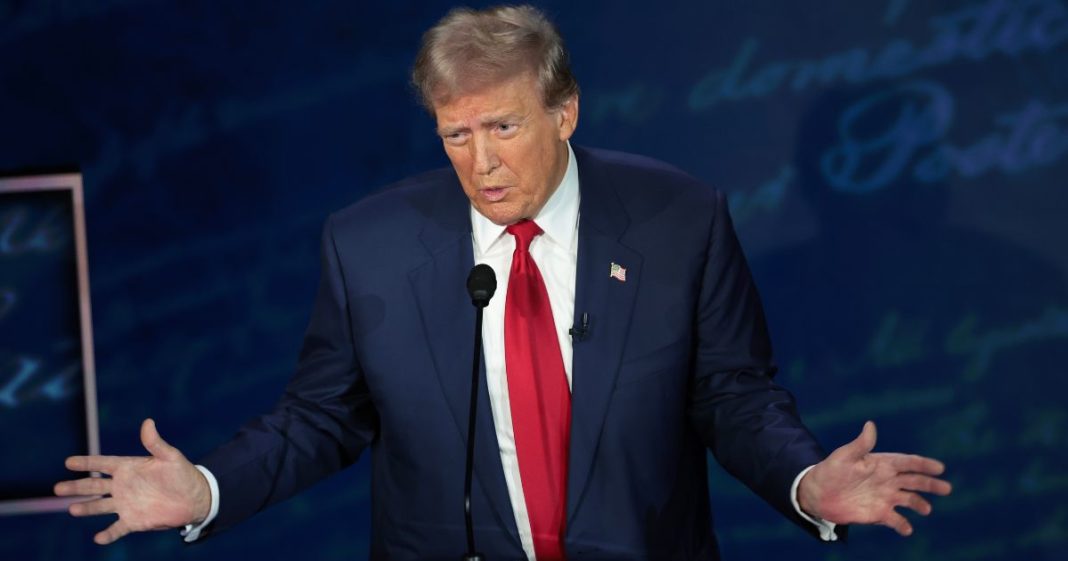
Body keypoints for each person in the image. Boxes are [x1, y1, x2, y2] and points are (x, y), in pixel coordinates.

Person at [54, 5, 951, 560]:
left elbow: (733, 396)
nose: (481, 163)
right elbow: (322, 414)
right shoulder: (368, 244)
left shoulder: (679, 218)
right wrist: (207, 488)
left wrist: (805, 482)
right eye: (455, 135)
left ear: (565, 111)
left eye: (503, 126)